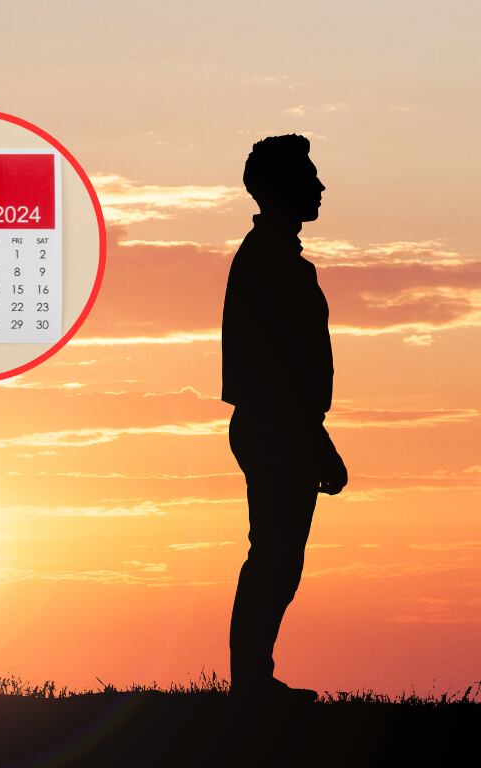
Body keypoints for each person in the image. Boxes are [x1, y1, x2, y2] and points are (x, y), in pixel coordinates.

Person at [222, 135, 347, 702]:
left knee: (278, 557)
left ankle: (254, 678)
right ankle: (250, 683)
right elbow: (275, 367)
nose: (319, 186)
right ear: (281, 187)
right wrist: (314, 439)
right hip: (277, 426)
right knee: (274, 556)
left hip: (282, 424)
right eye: (309, 177)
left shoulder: (274, 258)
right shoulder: (268, 261)